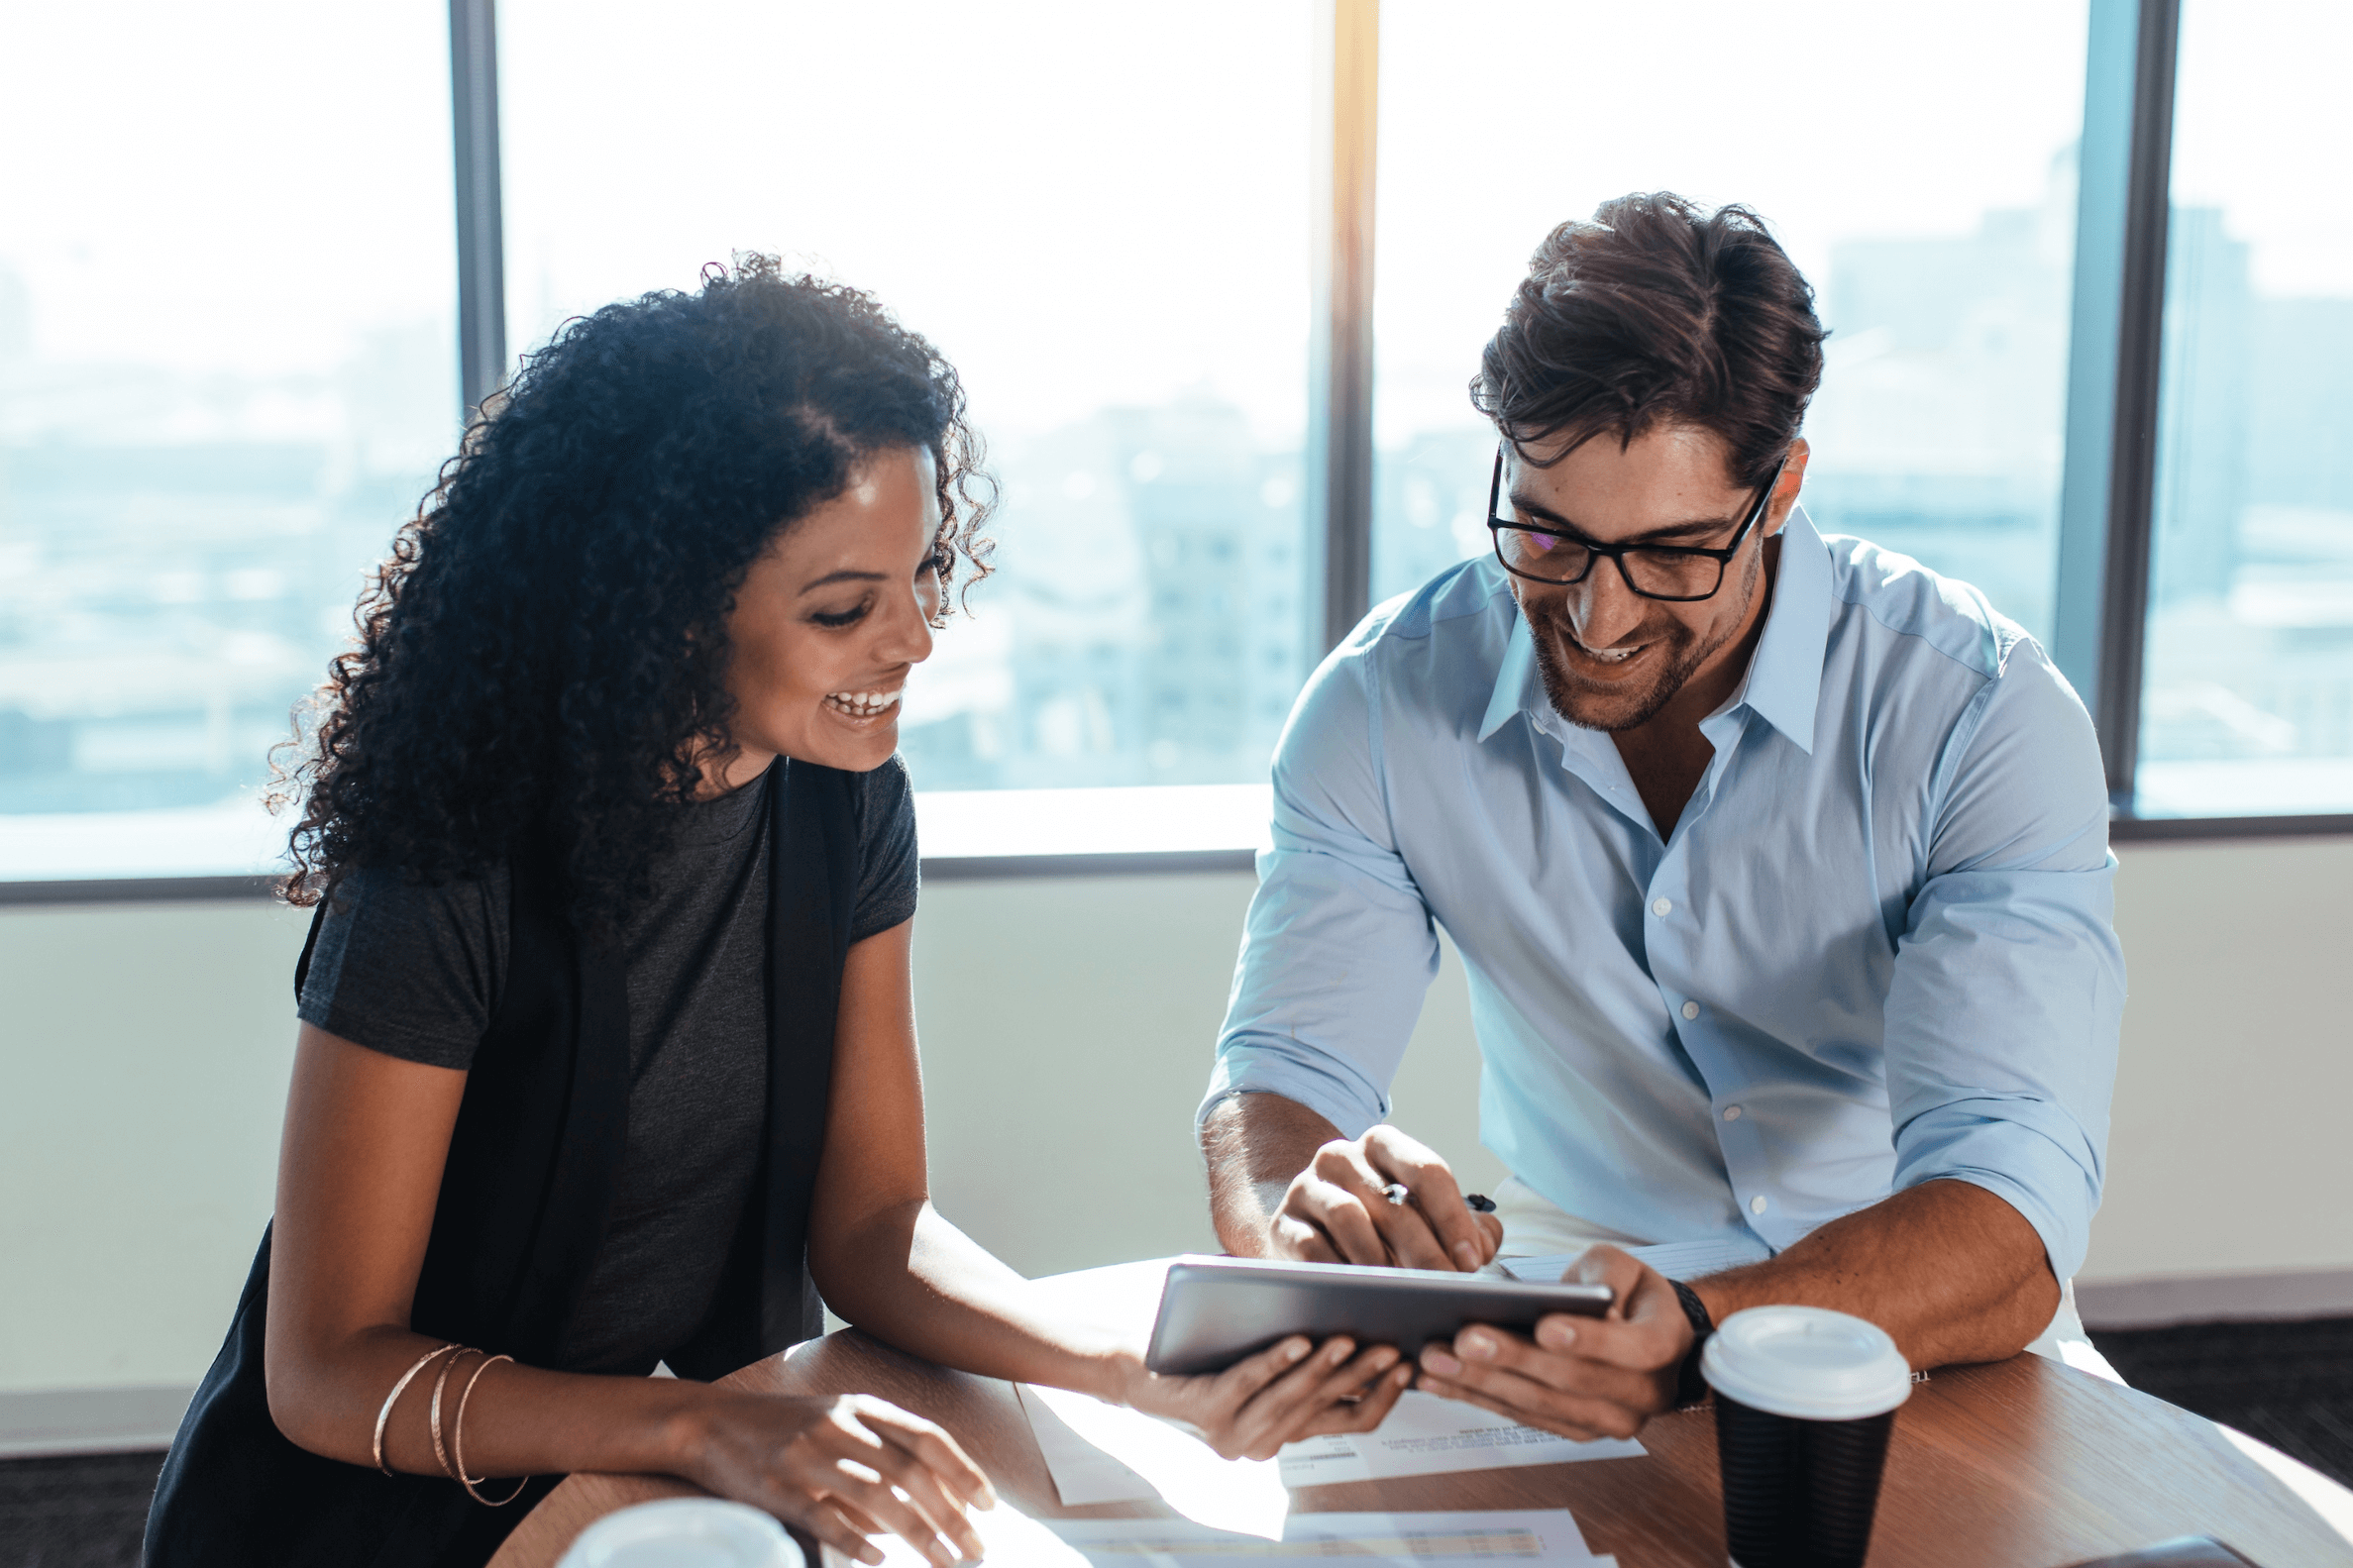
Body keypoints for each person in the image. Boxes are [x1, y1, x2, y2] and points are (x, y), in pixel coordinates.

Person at [146, 259, 1412, 1568]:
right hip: (386, 1509)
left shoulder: (844, 808)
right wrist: (700, 1427)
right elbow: (327, 1367)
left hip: (673, 1450)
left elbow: (869, 1226)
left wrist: (1127, 1364)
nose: (915, 637)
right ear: (672, 605)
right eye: (845, 606)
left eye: (921, 574)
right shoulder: (450, 861)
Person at [1199, 194, 2124, 1442]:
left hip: (1911, 1293)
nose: (1594, 616)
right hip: (1562, 1271)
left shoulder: (1976, 712)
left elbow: (2006, 1200)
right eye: (1547, 533)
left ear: (1781, 488)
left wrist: (1702, 1325)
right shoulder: (1377, 703)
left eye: (1672, 552)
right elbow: (1278, 1082)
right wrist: (1305, 1220)